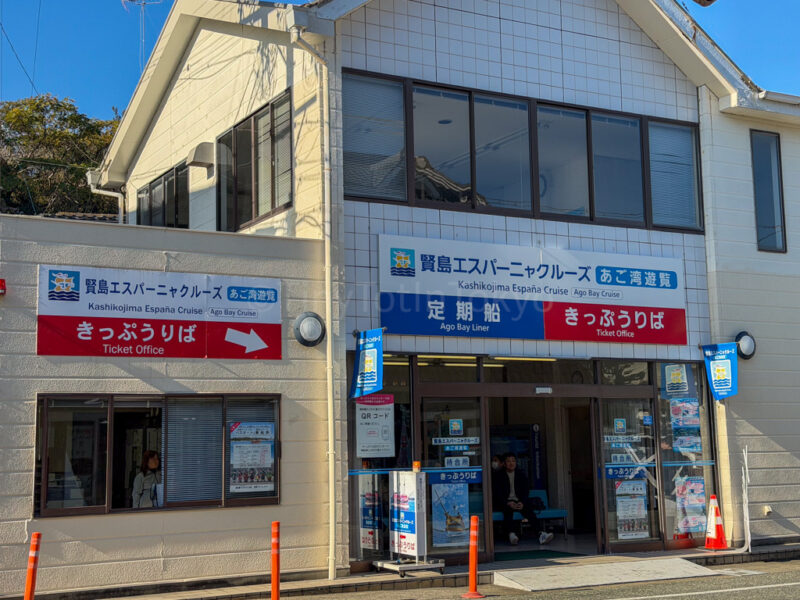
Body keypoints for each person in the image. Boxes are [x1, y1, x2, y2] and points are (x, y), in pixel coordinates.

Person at [492, 452, 553, 546]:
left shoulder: (521, 475)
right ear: (504, 463)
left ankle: (541, 534)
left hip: (518, 501)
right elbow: (497, 494)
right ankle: (511, 534)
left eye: (513, 461)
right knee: (508, 510)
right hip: (504, 502)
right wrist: (507, 503)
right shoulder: (498, 476)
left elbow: (525, 491)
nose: (511, 463)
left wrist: (522, 502)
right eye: (508, 461)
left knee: (528, 510)